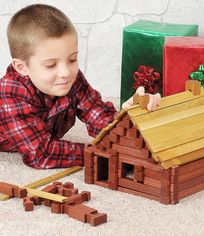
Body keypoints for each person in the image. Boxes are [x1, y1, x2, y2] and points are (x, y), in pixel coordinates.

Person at [0, 4, 161, 169]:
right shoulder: (11, 90)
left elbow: (101, 119)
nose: (65, 72)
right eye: (50, 65)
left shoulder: (72, 79)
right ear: (22, 67)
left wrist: (127, 119)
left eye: (72, 60)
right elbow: (40, 154)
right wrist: (99, 153)